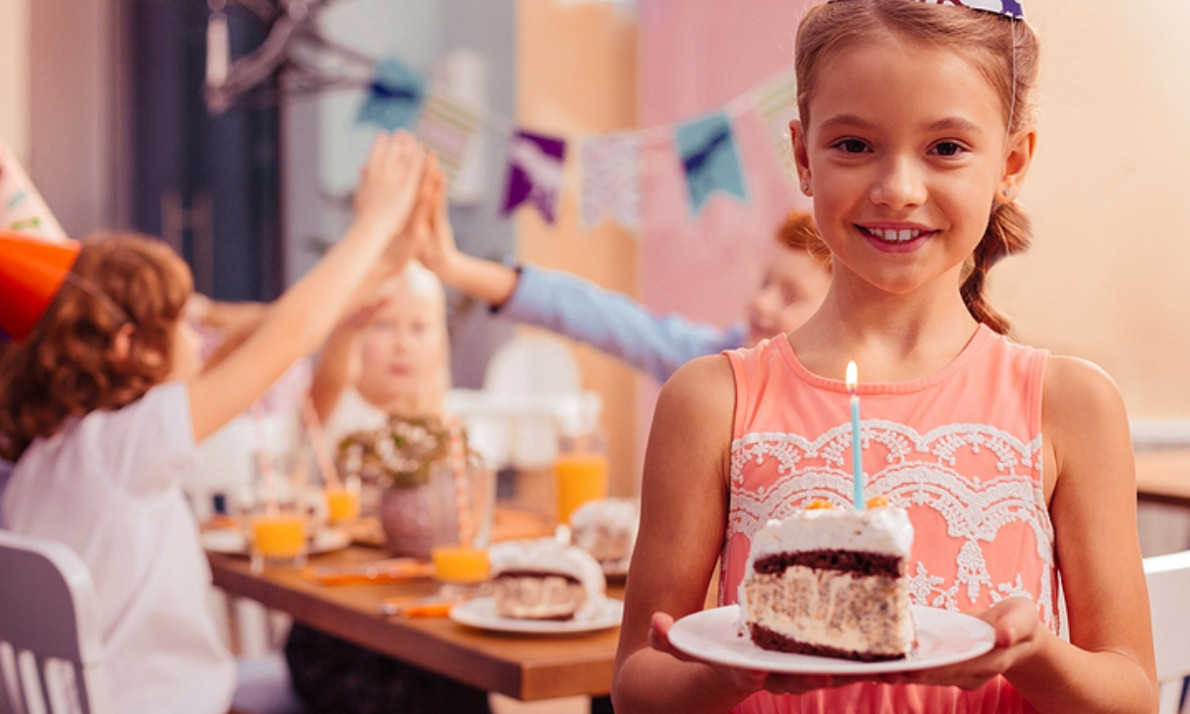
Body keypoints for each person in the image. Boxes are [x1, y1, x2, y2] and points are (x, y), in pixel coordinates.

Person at [611, 2, 1156, 713]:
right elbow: (635, 685)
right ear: (803, 157)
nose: (899, 188)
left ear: (1011, 163)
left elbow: (1133, 693)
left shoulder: (1071, 406)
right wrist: (728, 674)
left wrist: (1037, 656)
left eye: (947, 148)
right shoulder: (712, 401)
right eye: (855, 146)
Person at [0, 130, 427, 714]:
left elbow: (258, 338)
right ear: (133, 347)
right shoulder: (129, 446)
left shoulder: (57, 450)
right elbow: (289, 336)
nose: (198, 337)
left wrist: (378, 271)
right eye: (183, 322)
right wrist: (373, 222)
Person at [414, 156, 832, 382]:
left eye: (790, 294)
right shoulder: (717, 364)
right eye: (764, 282)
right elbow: (598, 315)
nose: (759, 302)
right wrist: (452, 266)